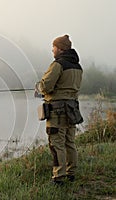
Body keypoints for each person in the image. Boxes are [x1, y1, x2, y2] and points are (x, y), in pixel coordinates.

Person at [35, 35, 83, 185]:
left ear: (60, 48)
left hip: (57, 111)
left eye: (54, 47)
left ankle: (58, 177)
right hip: (72, 109)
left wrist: (38, 87)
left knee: (56, 143)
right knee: (69, 142)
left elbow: (46, 86)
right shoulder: (77, 66)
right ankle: (71, 173)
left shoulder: (58, 65)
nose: (52, 50)